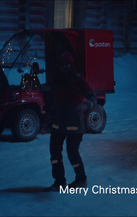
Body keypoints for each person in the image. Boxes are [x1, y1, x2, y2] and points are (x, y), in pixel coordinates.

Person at [45, 51, 96, 191]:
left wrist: (84, 106)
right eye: (62, 64)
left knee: (72, 153)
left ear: (71, 65)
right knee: (55, 155)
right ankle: (59, 182)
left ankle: (81, 179)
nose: (65, 67)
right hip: (58, 124)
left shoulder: (79, 81)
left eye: (67, 64)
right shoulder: (56, 82)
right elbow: (49, 101)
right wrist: (47, 114)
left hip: (75, 125)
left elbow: (92, 98)